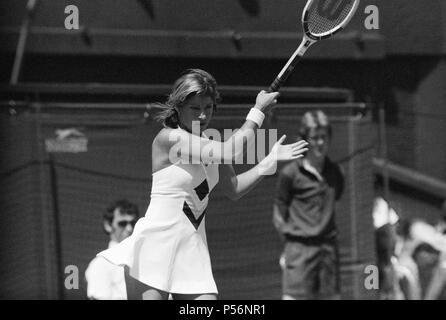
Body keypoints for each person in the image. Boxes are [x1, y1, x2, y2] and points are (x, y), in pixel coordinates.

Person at [97, 69, 309, 300]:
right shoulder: (168, 138)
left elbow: (234, 188)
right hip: (154, 248)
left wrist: (270, 161)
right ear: (178, 108)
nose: (202, 116)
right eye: (195, 108)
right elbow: (232, 151)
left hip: (192, 251)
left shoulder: (209, 142)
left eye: (207, 108)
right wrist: (257, 111)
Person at [273, 110, 344, 300]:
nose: (320, 143)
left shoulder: (336, 172)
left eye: (324, 137)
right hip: (299, 251)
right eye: (315, 138)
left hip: (328, 251)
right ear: (305, 139)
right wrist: (290, 247)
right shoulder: (290, 174)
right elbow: (279, 215)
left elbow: (336, 198)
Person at [85, 199, 140, 300]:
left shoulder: (145, 258)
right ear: (108, 225)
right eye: (122, 223)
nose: (129, 229)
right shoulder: (101, 264)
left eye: (133, 223)